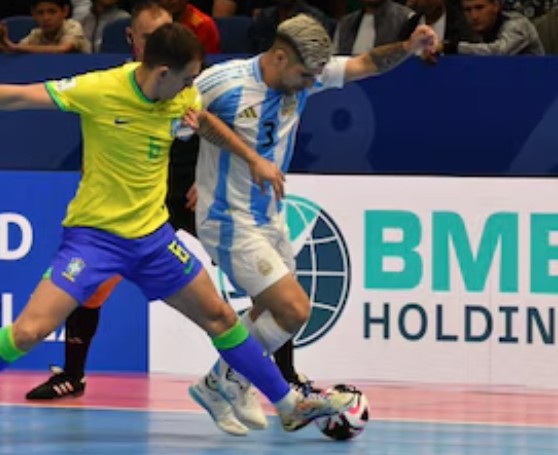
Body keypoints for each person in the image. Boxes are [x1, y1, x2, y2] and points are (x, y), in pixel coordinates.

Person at [0, 22, 353, 436]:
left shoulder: (181, 96)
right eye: (188, 78)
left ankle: (289, 404)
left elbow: (206, 123)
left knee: (222, 318)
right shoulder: (98, 89)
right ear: (162, 72)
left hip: (154, 242)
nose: (193, 87)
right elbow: (18, 97)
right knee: (29, 331)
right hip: (94, 240)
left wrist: (253, 159)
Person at [190, 13, 438, 434]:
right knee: (295, 309)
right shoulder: (224, 81)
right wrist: (230, 165)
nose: (311, 85)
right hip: (227, 219)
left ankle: (220, 380)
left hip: (268, 215)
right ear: (280, 57)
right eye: (305, 75)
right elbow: (183, 113)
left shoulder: (304, 76)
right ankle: (226, 380)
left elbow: (365, 64)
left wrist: (409, 47)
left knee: (269, 307)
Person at [439, 0, 544, 54]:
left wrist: (453, 47)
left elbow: (499, 53)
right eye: (468, 10)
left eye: (479, 8)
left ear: (495, 6)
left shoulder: (518, 25)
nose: (474, 16)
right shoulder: (471, 31)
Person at [0, 0, 91, 54]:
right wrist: (3, 43)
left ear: (65, 11)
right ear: (33, 14)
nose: (46, 18)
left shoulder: (72, 26)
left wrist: (13, 47)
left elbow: (62, 48)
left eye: (52, 12)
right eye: (40, 13)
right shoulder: (36, 34)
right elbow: (17, 49)